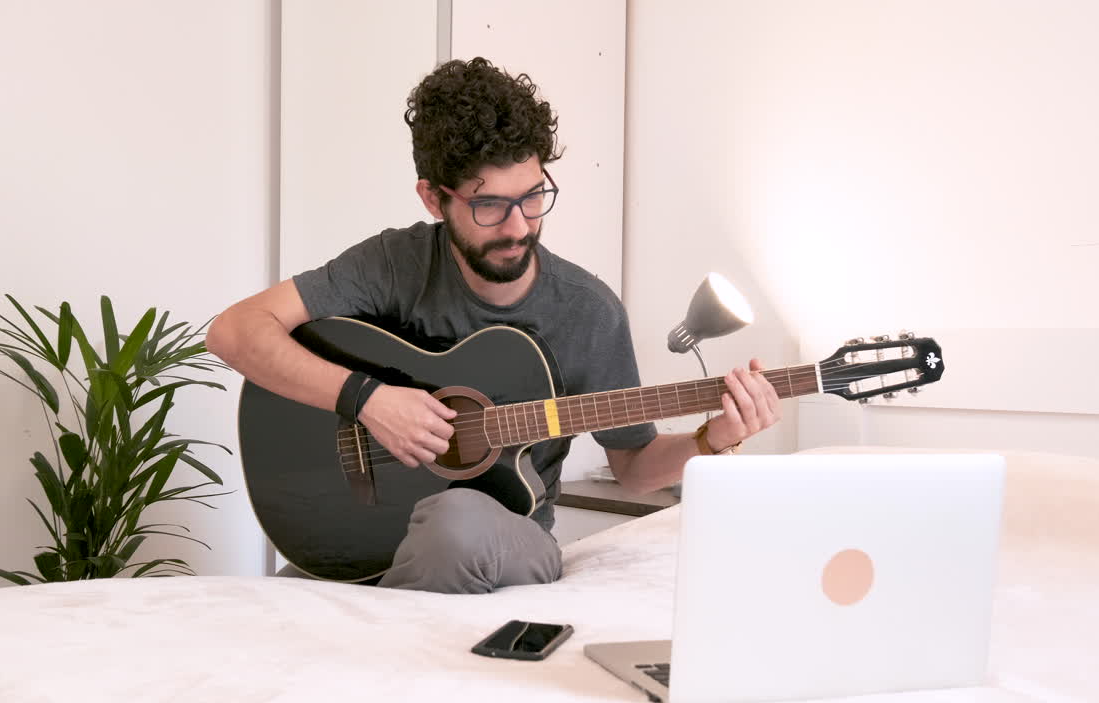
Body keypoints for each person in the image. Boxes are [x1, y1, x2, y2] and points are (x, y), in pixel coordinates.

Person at [205, 57, 781, 594]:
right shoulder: (394, 263)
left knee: (455, 523)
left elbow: (633, 470)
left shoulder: (588, 312)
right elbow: (233, 331)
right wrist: (370, 400)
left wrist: (713, 438)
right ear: (434, 199)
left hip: (506, 534)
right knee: (273, 605)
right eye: (489, 207)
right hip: (369, 527)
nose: (518, 226)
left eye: (533, 198)